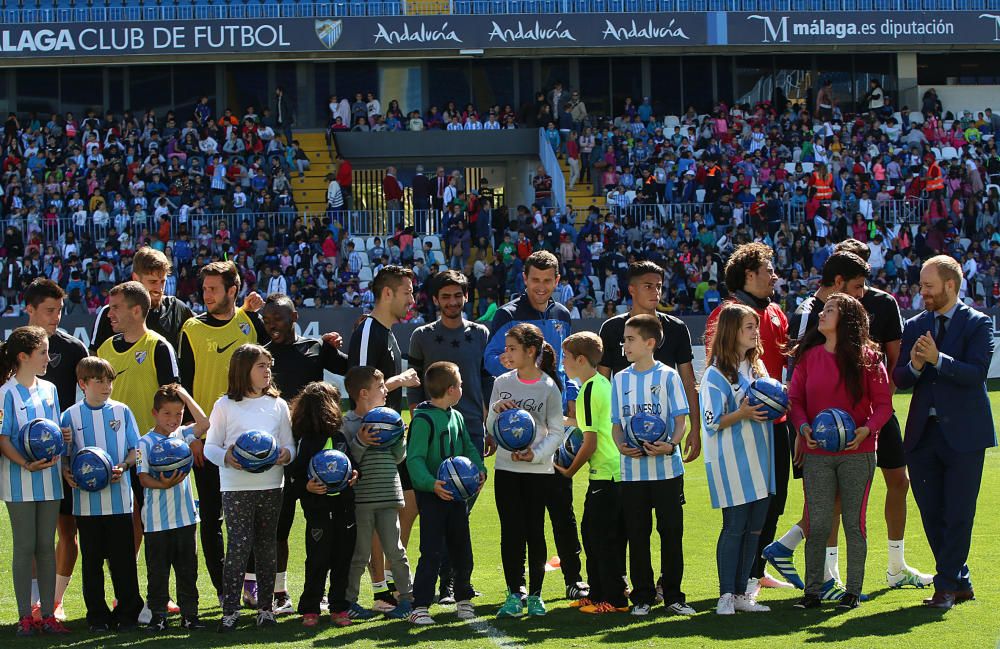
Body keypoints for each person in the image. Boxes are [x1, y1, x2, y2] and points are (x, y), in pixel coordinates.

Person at [764, 251, 870, 597]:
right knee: (827, 501)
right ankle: (804, 561)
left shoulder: (840, 319)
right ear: (838, 283)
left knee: (836, 499)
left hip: (830, 430)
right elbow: (796, 369)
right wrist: (799, 429)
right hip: (812, 429)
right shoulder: (808, 313)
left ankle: (823, 572)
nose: (861, 294)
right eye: (857, 287)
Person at [483, 250, 587, 601]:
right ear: (524, 279)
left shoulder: (562, 314)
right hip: (521, 425)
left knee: (562, 506)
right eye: (535, 280)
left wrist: (568, 392)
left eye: (548, 280)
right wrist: (520, 386)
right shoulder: (508, 315)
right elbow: (491, 359)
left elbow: (564, 367)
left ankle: (574, 578)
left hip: (555, 423)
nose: (541, 287)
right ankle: (520, 587)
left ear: (557, 281)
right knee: (522, 517)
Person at [894, 255, 996, 609]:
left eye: (928, 286)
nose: (922, 292)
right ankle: (959, 580)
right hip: (923, 434)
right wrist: (916, 364)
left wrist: (939, 360)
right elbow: (901, 380)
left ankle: (946, 586)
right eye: (921, 285)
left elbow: (977, 373)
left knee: (958, 513)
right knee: (931, 511)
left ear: (950, 286)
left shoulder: (978, 324)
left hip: (966, 436)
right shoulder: (915, 324)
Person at [834, 239, 933, 588]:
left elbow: (896, 363)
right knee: (836, 494)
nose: (862, 282)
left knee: (898, 481)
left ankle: (896, 567)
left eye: (864, 270)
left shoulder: (883, 303)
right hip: (836, 418)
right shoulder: (824, 307)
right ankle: (831, 574)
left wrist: (877, 409)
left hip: (878, 412)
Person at [789, 294, 892, 610]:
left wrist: (867, 429)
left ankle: (853, 592)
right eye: (823, 309)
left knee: (853, 523)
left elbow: (885, 405)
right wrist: (804, 427)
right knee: (818, 522)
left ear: (846, 319)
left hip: (858, 454)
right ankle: (812, 593)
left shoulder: (869, 359)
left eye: (830, 310)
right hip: (817, 454)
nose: (822, 314)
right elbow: (795, 400)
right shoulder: (809, 357)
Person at [178, 260, 269, 608]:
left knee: (247, 517)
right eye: (204, 289)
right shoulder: (191, 329)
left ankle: (248, 583)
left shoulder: (250, 324)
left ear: (233, 291)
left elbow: (268, 374)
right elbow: (183, 384)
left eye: (214, 289)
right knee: (212, 516)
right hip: (209, 440)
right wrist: (196, 437)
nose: (207, 295)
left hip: (248, 441)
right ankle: (222, 587)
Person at [705, 242, 792, 594]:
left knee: (773, 501)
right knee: (741, 513)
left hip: (775, 426)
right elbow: (718, 368)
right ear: (748, 275)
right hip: (740, 432)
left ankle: (755, 572)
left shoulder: (776, 312)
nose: (774, 276)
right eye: (767, 270)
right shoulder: (726, 314)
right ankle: (740, 583)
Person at [259, 294, 349, 613]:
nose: (272, 326)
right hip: (280, 453)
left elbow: (349, 368)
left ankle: (319, 593)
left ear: (294, 316)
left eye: (278, 319)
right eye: (267, 321)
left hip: (316, 452)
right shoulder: (264, 356)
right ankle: (279, 592)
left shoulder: (315, 348)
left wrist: (334, 347)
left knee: (320, 531)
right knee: (279, 528)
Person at [406, 270, 491, 602]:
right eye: (446, 296)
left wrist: (488, 419)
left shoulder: (481, 334)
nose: (452, 301)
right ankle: (445, 584)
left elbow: (486, 380)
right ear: (436, 299)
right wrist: (417, 414)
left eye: (458, 295)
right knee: (440, 508)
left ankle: (453, 581)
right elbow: (414, 379)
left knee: (461, 511)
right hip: (433, 433)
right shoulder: (422, 335)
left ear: (466, 297)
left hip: (469, 428)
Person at [204, 344, 295, 632]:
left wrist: (286, 454)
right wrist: (228, 457)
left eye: (269, 365)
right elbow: (210, 447)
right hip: (235, 487)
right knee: (239, 547)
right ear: (244, 370)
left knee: (267, 546)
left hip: (272, 484)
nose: (267, 371)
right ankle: (230, 610)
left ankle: (265, 609)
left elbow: (290, 444)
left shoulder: (278, 405)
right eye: (260, 366)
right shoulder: (225, 405)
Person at [346, 265, 421, 611]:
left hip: (388, 437)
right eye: (407, 292)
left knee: (405, 504)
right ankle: (380, 591)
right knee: (380, 511)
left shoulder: (387, 333)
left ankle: (389, 580)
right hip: (371, 439)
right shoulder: (368, 332)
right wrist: (400, 381)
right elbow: (361, 389)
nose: (412, 299)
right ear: (387, 293)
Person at [611, 314, 695, 618]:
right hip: (633, 473)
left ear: (650, 343)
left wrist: (671, 444)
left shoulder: (668, 376)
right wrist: (621, 445)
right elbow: (616, 425)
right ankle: (643, 596)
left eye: (630, 339)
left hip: (667, 471)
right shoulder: (620, 379)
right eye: (624, 339)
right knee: (638, 534)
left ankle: (673, 595)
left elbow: (680, 419)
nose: (625, 345)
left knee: (671, 533)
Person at [96, 281, 180, 567]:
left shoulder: (158, 346)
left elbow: (172, 399)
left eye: (116, 307)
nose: (109, 313)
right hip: (111, 453)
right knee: (117, 525)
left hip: (152, 452)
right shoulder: (105, 348)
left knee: (155, 525)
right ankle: (127, 591)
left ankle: (159, 593)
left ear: (136, 310)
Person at [486, 323, 565, 618]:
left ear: (530, 351)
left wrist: (535, 455)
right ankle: (512, 594)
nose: (506, 353)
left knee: (534, 531)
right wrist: (496, 412)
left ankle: (535, 595)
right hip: (506, 469)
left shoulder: (548, 387)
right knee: (511, 532)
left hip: (537, 471)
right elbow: (490, 428)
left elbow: (557, 432)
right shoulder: (502, 382)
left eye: (512, 348)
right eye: (506, 348)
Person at [700, 303, 774, 615]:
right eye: (749, 327)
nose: (756, 332)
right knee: (734, 527)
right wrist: (742, 412)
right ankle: (725, 595)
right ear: (732, 332)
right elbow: (710, 421)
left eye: (756, 327)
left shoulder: (758, 368)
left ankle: (743, 591)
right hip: (732, 463)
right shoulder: (715, 374)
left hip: (761, 459)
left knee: (755, 528)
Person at [61, 357, 143, 631]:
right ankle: (97, 616)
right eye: (99, 381)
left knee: (123, 561)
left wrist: (125, 465)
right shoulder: (70, 415)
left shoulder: (122, 411)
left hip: (119, 500)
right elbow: (65, 456)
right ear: (83, 384)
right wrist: (66, 472)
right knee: (92, 562)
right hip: (86, 504)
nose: (106, 386)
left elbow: (136, 449)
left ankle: (128, 613)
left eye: (109, 380)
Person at [23, 279, 88, 622]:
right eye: (49, 310)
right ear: (29, 309)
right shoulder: (10, 350)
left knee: (67, 530)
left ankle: (55, 601)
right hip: (23, 459)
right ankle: (34, 603)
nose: (55, 317)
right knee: (33, 533)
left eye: (60, 310)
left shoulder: (75, 348)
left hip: (66, 456)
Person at [0, 326, 69, 636]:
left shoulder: (50, 389)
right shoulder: (6, 392)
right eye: (43, 352)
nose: (47, 358)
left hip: (50, 478)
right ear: (23, 356)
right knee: (25, 546)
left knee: (45, 547)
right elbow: (3, 439)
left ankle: (49, 616)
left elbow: (52, 432)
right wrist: (25, 463)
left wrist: (62, 438)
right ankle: (25, 617)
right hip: (19, 479)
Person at [405, 361, 487, 625]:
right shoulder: (423, 418)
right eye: (461, 384)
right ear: (452, 389)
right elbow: (414, 459)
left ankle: (463, 598)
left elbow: (467, 447)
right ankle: (420, 606)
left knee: (462, 548)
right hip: (433, 496)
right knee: (431, 550)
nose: (462, 388)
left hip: (457, 497)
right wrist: (431, 484)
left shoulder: (457, 415)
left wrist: (479, 468)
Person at [599, 261, 701, 463]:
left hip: (668, 436)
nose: (656, 291)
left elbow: (689, 382)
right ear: (632, 289)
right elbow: (602, 385)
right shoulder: (611, 329)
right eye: (648, 286)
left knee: (669, 491)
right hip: (626, 437)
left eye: (659, 286)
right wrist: (608, 435)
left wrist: (695, 428)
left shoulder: (676, 328)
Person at [557, 332, 628, 615]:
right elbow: (589, 424)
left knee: (602, 538)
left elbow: (590, 441)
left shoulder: (587, 390)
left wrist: (568, 471)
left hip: (607, 474)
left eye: (566, 357)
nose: (563, 363)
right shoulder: (600, 383)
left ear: (581, 360)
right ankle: (598, 593)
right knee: (595, 534)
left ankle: (615, 599)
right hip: (613, 473)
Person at [342, 366, 414, 621]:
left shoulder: (390, 418)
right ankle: (349, 601)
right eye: (381, 387)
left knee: (395, 550)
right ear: (363, 393)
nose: (386, 391)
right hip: (362, 499)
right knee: (360, 553)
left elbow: (397, 458)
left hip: (389, 495)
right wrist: (360, 441)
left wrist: (399, 438)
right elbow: (350, 462)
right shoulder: (348, 423)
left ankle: (406, 599)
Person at [136, 384, 209, 632]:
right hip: (157, 521)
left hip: (186, 518)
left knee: (188, 571)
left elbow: (205, 423)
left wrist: (186, 396)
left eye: (178, 414)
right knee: (157, 572)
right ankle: (158, 616)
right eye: (167, 413)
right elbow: (143, 477)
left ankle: (190, 616)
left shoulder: (182, 435)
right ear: (155, 413)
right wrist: (162, 483)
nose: (173, 419)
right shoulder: (143, 443)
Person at [286, 382, 359, 627]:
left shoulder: (339, 437)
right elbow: (294, 477)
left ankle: (339, 608)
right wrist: (307, 487)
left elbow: (351, 465)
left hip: (345, 509)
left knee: (342, 559)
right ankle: (310, 608)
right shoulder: (305, 441)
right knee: (317, 559)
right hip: (318, 512)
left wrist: (353, 475)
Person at [91, 247, 203, 353]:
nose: (159, 289)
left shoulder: (176, 308)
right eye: (153, 282)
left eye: (163, 282)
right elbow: (95, 358)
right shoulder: (111, 312)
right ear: (135, 278)